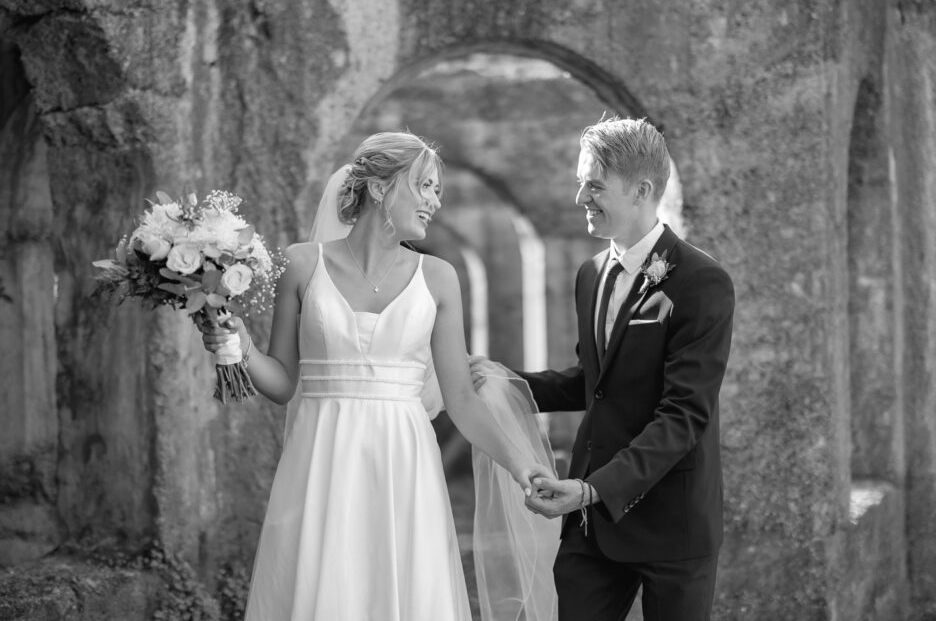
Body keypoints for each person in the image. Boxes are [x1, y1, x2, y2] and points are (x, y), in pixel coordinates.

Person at [198, 132, 556, 620]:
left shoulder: (439, 278)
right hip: (319, 458)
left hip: (404, 462)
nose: (435, 200)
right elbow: (282, 383)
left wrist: (520, 465)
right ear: (381, 188)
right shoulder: (302, 264)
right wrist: (238, 345)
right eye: (425, 186)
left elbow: (462, 400)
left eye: (438, 191)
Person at [472, 117, 735, 620]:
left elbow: (684, 415)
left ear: (641, 189)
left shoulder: (702, 281)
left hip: (672, 522)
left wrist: (595, 488)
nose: (580, 198)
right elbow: (593, 384)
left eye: (593, 185)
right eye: (580, 182)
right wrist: (502, 378)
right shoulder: (590, 275)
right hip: (592, 525)